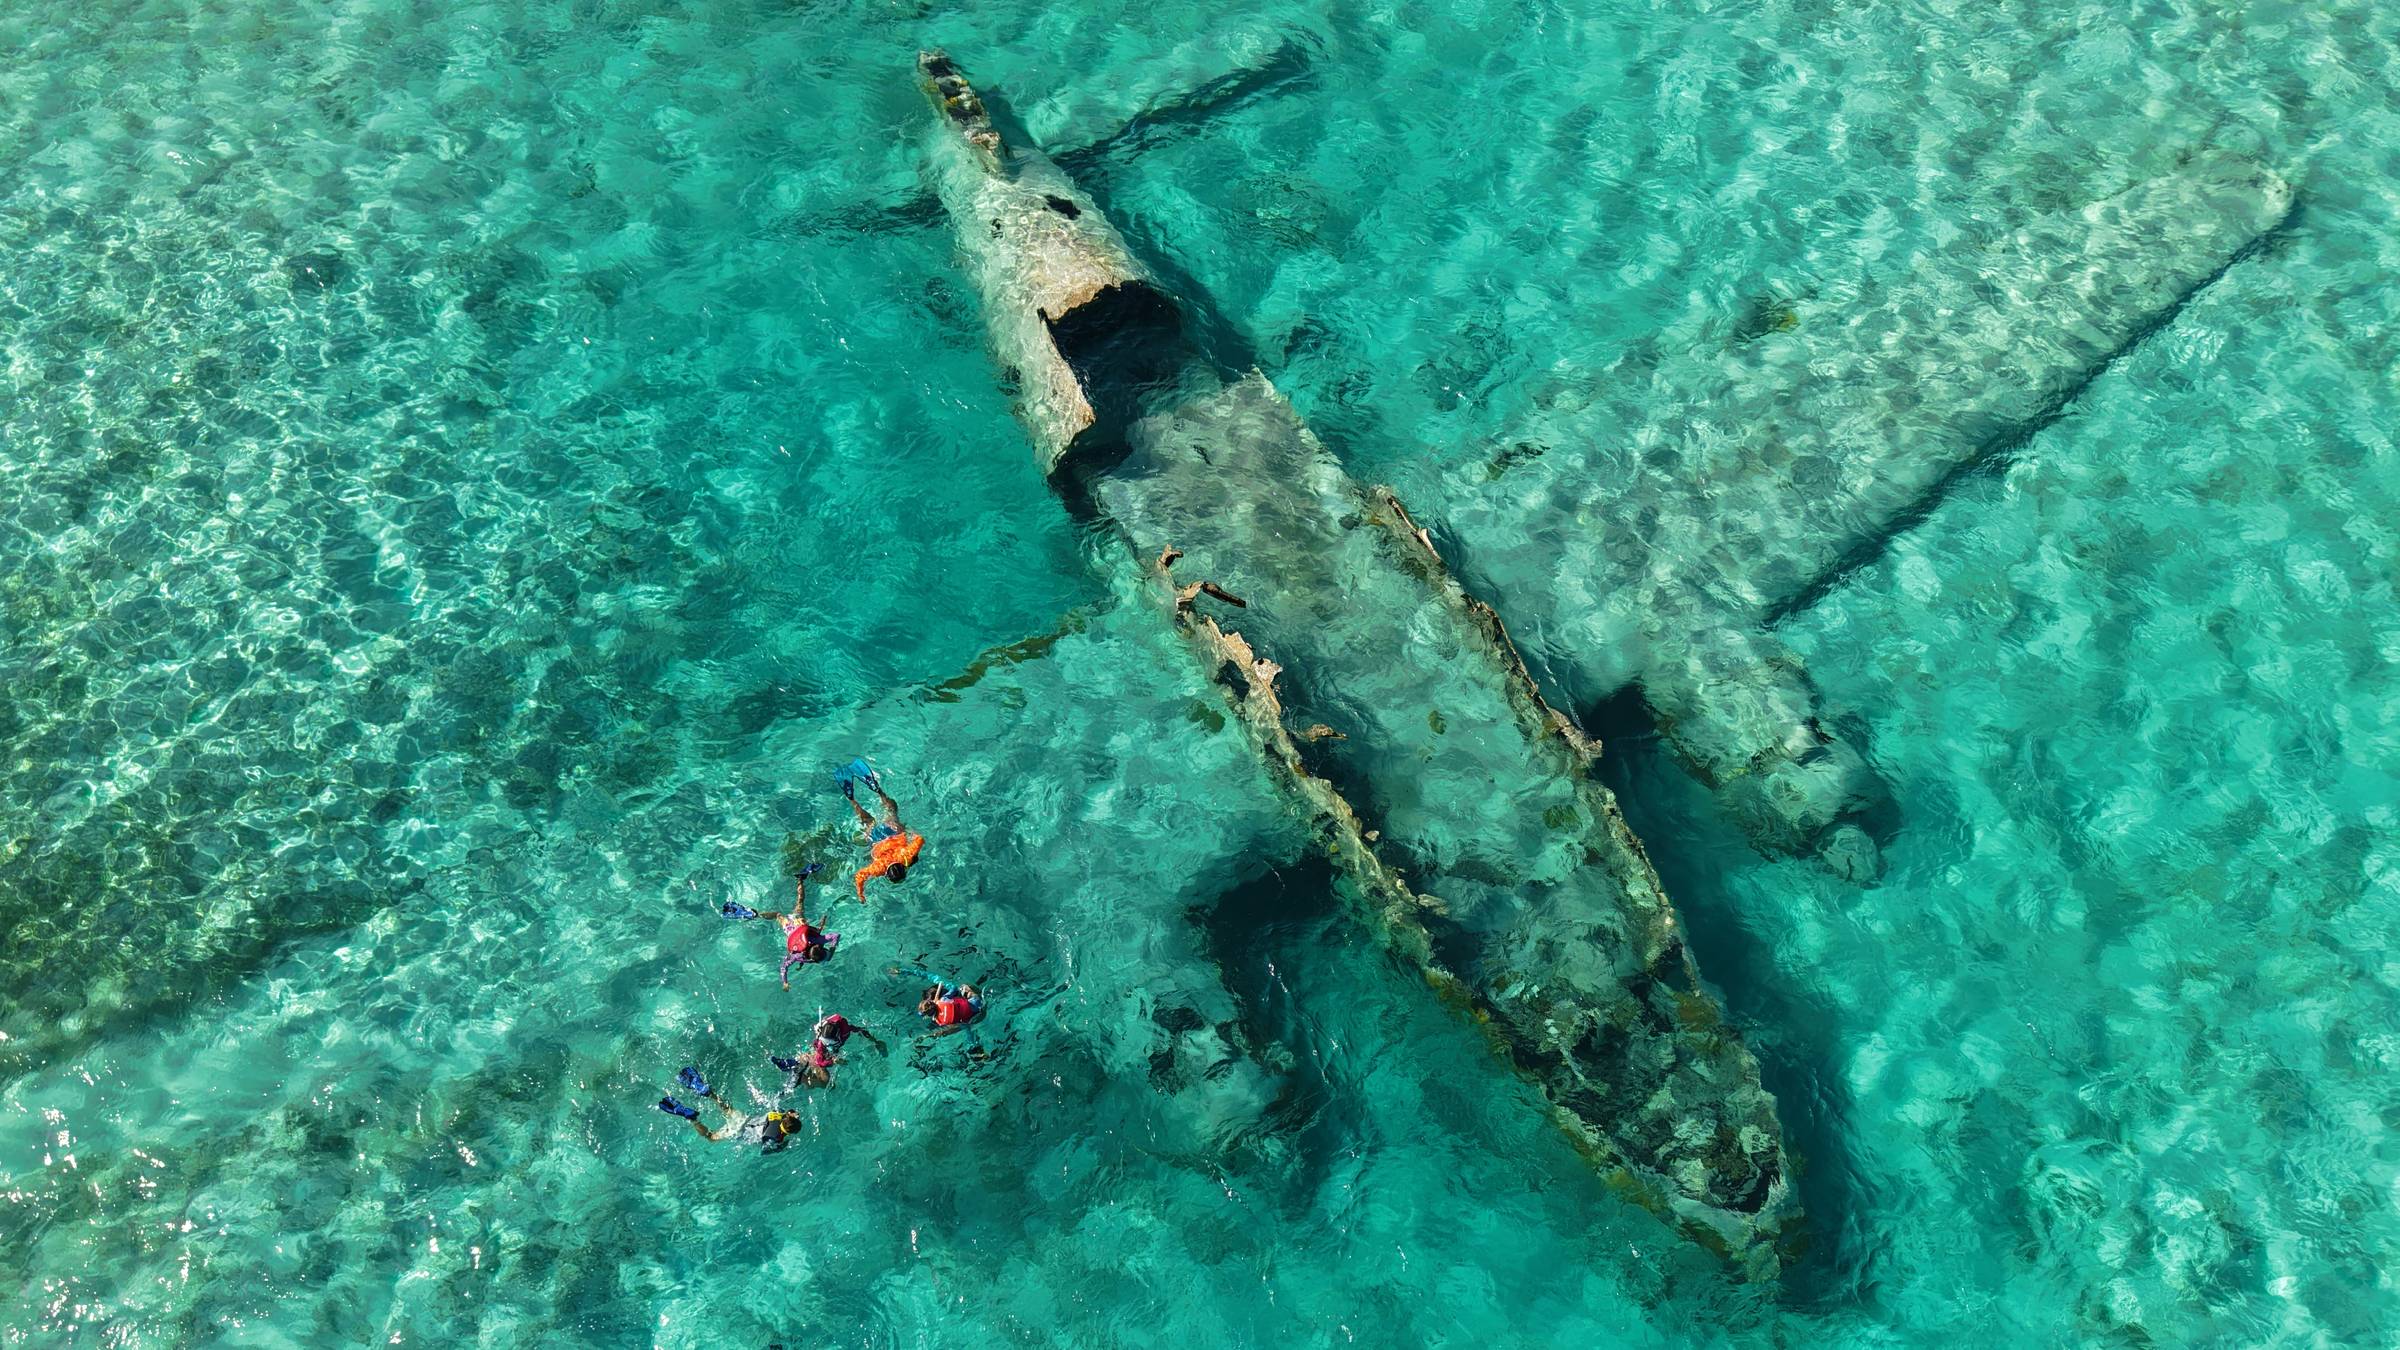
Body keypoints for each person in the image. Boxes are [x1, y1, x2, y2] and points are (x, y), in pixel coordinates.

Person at [733, 864, 840, 991]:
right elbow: (784, 966)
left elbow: (836, 936)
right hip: (789, 929)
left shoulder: (818, 941)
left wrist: (832, 948)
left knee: (800, 901)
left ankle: (800, 879)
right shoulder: (798, 956)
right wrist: (784, 982)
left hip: (798, 923)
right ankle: (756, 915)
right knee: (777, 916)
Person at [654, 1066, 802, 1153]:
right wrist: (782, 1147)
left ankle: (709, 1093)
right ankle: (692, 1118)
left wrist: (792, 1114)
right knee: (711, 1137)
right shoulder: (775, 1138)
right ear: (788, 1132)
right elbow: (766, 1150)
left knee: (727, 1109)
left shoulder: (778, 1115)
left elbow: (788, 1111)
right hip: (738, 1131)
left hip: (745, 1119)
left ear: (788, 1117)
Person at [839, 758, 923, 902]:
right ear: (886, 874)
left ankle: (879, 791)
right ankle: (851, 799)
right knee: (868, 821)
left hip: (892, 831)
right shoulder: (879, 868)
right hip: (876, 838)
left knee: (891, 809)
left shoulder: (905, 856)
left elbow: (920, 839)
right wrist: (860, 894)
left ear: (903, 867)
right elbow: (859, 876)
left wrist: (909, 832)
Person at [772, 1013, 887, 1088]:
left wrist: (875, 1041)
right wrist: (833, 1061)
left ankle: (796, 1064)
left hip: (820, 1051)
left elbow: (860, 1030)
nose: (826, 1043)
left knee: (809, 1058)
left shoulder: (844, 1028)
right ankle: (802, 1079)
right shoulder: (822, 1042)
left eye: (828, 1042)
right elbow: (820, 1062)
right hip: (819, 1053)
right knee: (826, 1083)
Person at [916, 981, 984, 1037]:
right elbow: (954, 989)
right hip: (976, 1003)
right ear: (932, 1001)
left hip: (974, 1017)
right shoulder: (943, 1000)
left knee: (960, 1025)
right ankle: (978, 994)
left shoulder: (940, 1022)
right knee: (964, 987)